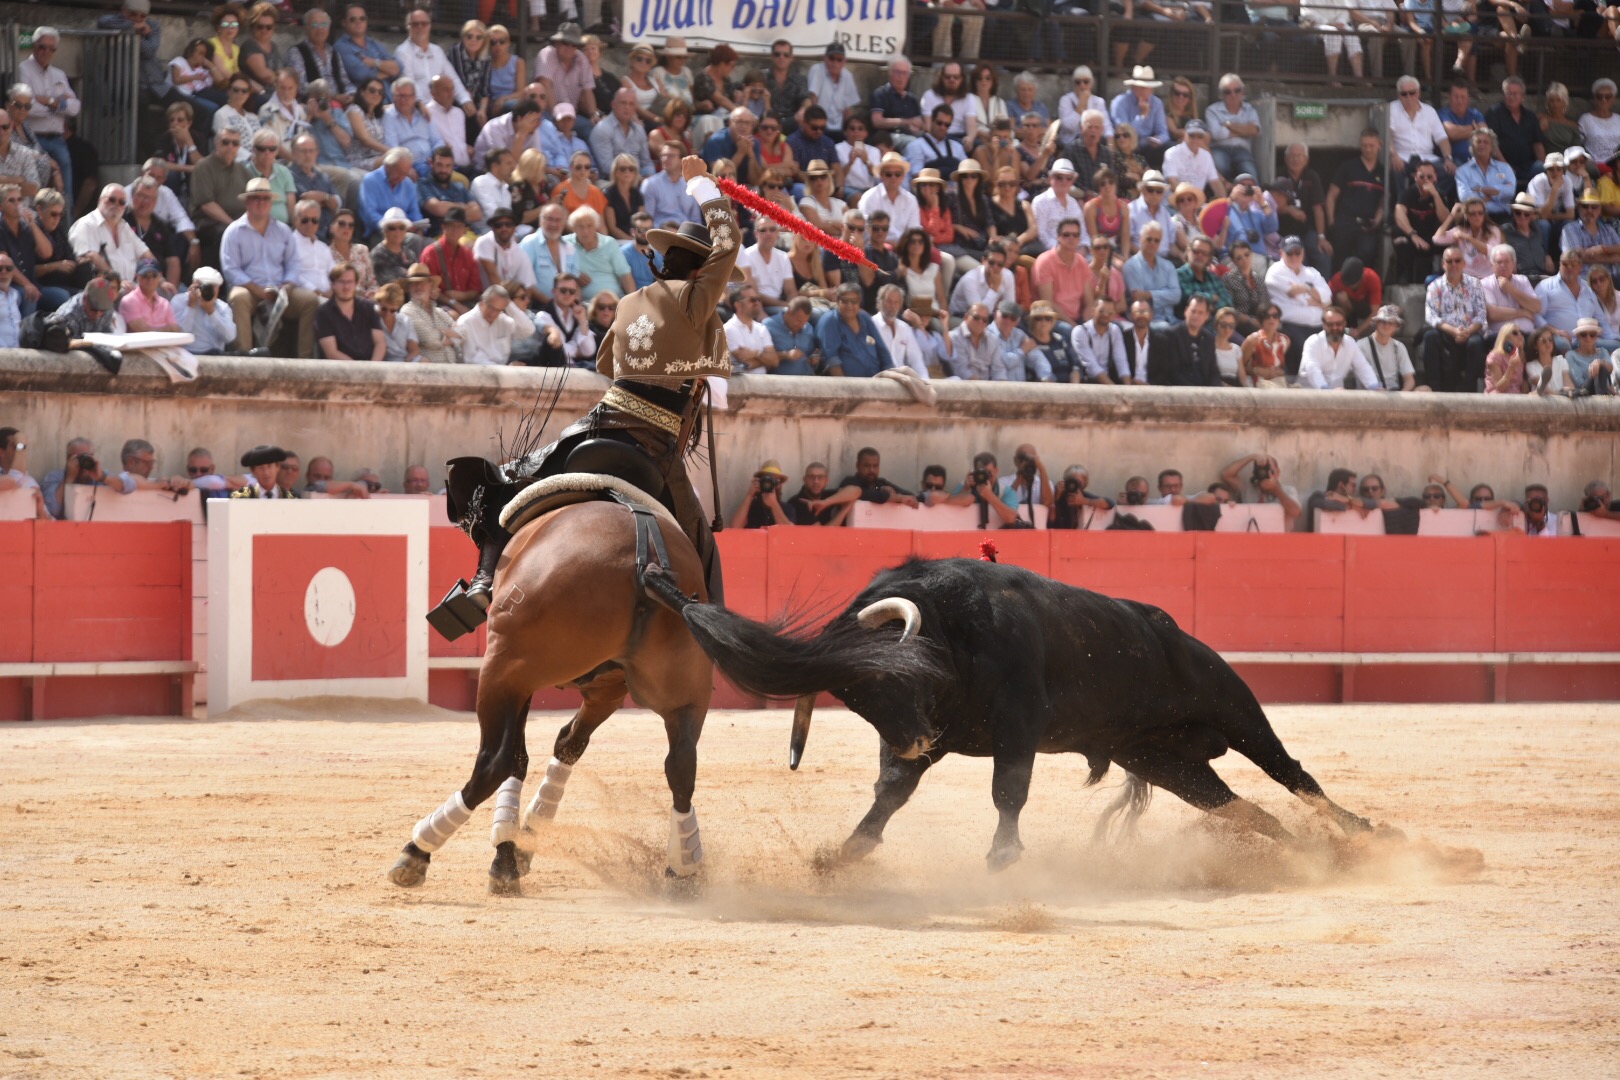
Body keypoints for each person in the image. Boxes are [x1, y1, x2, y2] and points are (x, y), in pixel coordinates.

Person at [433, 155, 741, 629]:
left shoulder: (627, 302)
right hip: (653, 442)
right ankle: (716, 631)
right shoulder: (697, 300)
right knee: (701, 546)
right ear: (700, 272)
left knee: (512, 485)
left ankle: (482, 581)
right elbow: (728, 242)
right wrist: (702, 185)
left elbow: (605, 363)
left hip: (593, 428)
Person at [222, 176, 320, 355]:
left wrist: (287, 285)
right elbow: (230, 269)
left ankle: (306, 360)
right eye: (256, 198)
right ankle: (245, 359)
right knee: (239, 297)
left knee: (310, 300)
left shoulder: (283, 230)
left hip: (281, 291)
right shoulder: (233, 231)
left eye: (266, 198)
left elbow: (293, 264)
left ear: (271, 203)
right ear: (247, 202)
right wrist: (256, 289)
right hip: (250, 289)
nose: (261, 202)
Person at [20, 28, 78, 202]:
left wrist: (50, 101)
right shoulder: (23, 69)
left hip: (58, 139)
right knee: (36, 189)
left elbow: (75, 108)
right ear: (34, 46)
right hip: (32, 139)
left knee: (65, 189)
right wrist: (60, 106)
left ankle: (67, 226)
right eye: (42, 47)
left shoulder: (58, 74)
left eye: (51, 49)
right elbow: (28, 108)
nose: (46, 52)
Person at [1423, 245, 1488, 392]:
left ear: (1464, 263)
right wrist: (1453, 331)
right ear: (1443, 264)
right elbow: (1430, 315)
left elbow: (1481, 314)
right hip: (1446, 332)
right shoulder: (1435, 286)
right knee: (1430, 337)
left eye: (1457, 260)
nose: (1453, 265)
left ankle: (1469, 390)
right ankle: (1434, 389)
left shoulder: (1475, 284)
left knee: (1476, 343)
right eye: (1449, 261)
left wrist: (1468, 331)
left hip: (1470, 333)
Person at [1265, 236, 1330, 374]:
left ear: (1303, 253)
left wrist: (1305, 291)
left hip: (1318, 325)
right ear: (1281, 252)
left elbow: (1328, 297)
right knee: (1304, 351)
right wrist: (1312, 294)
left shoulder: (1312, 272)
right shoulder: (1275, 271)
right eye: (1290, 253)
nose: (1294, 256)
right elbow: (1294, 292)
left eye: (1298, 252)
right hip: (1290, 326)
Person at [1324, 128, 1385, 273]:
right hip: (1345, 222)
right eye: (1364, 145)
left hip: (1367, 225)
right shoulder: (1348, 167)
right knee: (1340, 262)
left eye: (1371, 145)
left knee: (1367, 257)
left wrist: (1377, 219)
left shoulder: (1383, 172)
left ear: (1379, 145)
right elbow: (1332, 195)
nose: (1368, 149)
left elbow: (1384, 200)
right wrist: (1332, 222)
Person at [70, 185, 154, 284]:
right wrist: (118, 282)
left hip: (129, 286)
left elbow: (145, 254)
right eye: (112, 200)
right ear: (100, 200)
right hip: (103, 287)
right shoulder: (86, 224)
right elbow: (90, 257)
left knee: (164, 291)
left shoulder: (124, 226)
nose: (116, 205)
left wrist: (159, 279)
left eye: (121, 202)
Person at [816, 282, 892, 377]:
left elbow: (882, 351)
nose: (849, 305)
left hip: (876, 382)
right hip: (848, 386)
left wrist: (889, 378)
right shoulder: (829, 321)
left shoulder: (865, 317)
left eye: (854, 301)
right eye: (845, 301)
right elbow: (832, 360)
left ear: (859, 302)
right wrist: (847, 389)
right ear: (837, 300)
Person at [1297, 305, 1381, 390]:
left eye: (1338, 324)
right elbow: (1313, 370)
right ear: (1324, 325)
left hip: (1337, 396)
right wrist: (1327, 391)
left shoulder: (1350, 342)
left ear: (1344, 324)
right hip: (1309, 396)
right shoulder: (1313, 342)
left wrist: (1374, 387)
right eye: (1330, 324)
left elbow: (1363, 367)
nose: (1335, 328)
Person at [314, 261, 384, 361]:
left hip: (371, 368)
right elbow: (331, 353)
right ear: (333, 284)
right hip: (341, 371)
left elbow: (380, 343)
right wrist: (357, 371)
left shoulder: (369, 308)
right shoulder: (323, 313)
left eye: (350, 282)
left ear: (356, 284)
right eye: (341, 282)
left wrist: (372, 369)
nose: (346, 287)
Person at [455, 284, 535, 365]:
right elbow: (471, 358)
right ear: (482, 302)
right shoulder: (466, 321)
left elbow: (528, 330)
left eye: (498, 310)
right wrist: (507, 370)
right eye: (491, 308)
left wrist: (509, 305)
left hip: (502, 372)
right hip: (475, 374)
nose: (493, 314)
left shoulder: (504, 321)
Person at [171, 266, 238, 354]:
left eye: (213, 287)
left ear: (218, 288)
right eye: (205, 286)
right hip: (185, 354)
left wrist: (211, 311)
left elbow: (230, 337)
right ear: (194, 284)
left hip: (213, 354)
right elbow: (178, 335)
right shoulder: (179, 301)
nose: (208, 290)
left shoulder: (222, 307)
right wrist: (191, 306)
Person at [945, 451, 1021, 527]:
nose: (985, 477)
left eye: (988, 473)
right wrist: (965, 489)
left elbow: (1011, 518)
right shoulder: (965, 485)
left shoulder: (1006, 492)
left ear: (996, 471)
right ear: (975, 472)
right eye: (981, 473)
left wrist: (990, 496)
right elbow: (948, 506)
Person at [118, 258, 180, 332]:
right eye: (145, 276)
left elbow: (176, 330)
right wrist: (168, 329)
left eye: (154, 275)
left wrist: (167, 329)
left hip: (166, 343)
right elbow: (142, 331)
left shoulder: (164, 303)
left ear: (160, 277)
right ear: (137, 277)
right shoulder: (129, 301)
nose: (150, 280)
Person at [730, 459, 796, 528]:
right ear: (760, 481)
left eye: (775, 481)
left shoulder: (788, 509)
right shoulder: (751, 507)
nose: (770, 484)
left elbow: (788, 532)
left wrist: (774, 504)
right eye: (767, 480)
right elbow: (735, 527)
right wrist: (749, 495)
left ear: (780, 484)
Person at [1483, 323, 1528, 395]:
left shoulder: (1520, 357)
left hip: (1516, 396)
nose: (1520, 335)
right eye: (1515, 333)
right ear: (1505, 339)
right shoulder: (1494, 357)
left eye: (1521, 333)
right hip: (1497, 397)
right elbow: (1500, 387)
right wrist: (1511, 367)